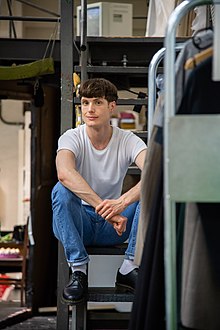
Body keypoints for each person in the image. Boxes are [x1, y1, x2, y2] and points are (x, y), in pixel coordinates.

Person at [51, 78, 147, 304]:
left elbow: (157, 171)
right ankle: (79, 270)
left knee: (152, 192)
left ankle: (128, 267)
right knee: (61, 190)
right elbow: (64, 172)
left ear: (112, 106)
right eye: (85, 103)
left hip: (114, 227)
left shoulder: (127, 139)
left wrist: (121, 204)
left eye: (97, 102)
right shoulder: (72, 137)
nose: (90, 109)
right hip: (80, 223)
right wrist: (107, 209)